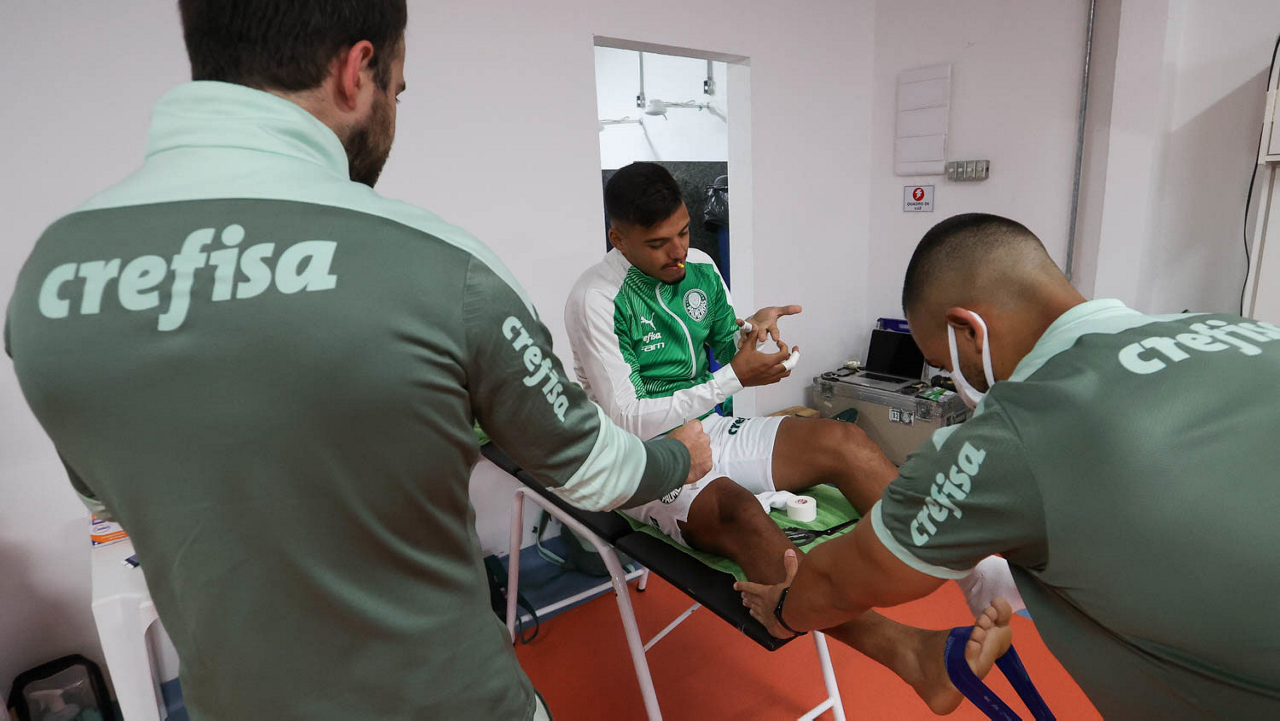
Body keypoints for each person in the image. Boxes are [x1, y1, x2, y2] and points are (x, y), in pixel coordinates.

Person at [4, 3, 713, 719]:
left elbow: (110, 504)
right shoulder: (445, 268)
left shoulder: (49, 284)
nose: (393, 112)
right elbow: (596, 471)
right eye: (396, 91)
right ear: (356, 71)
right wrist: (679, 457)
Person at [737, 213, 1280, 718]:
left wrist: (784, 611)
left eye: (946, 365)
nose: (953, 382)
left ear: (968, 330)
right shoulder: (1241, 330)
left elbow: (838, 582)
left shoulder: (1018, 428)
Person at [565, 163, 1016, 714]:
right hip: (642, 457)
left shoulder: (700, 266)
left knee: (841, 442)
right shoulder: (595, 298)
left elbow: (727, 341)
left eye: (683, 232)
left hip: (708, 428)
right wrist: (733, 380)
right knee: (735, 509)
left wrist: (754, 332)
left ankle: (977, 575)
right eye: (659, 244)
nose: (678, 252)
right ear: (618, 238)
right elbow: (628, 416)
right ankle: (913, 655)